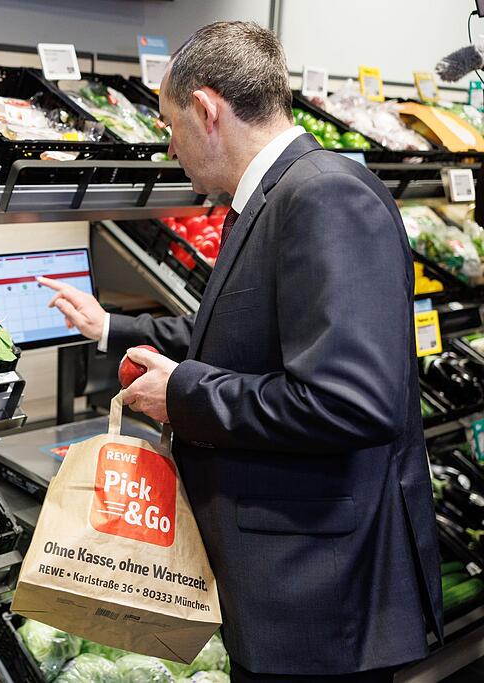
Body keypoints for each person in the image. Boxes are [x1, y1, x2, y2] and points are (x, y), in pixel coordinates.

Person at [39, 21, 441, 682]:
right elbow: (242, 340)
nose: (171, 147)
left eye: (171, 126)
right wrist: (110, 326)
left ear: (206, 109)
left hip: (319, 607)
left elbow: (348, 402)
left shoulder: (324, 196)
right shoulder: (278, 196)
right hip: (286, 593)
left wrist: (184, 396)